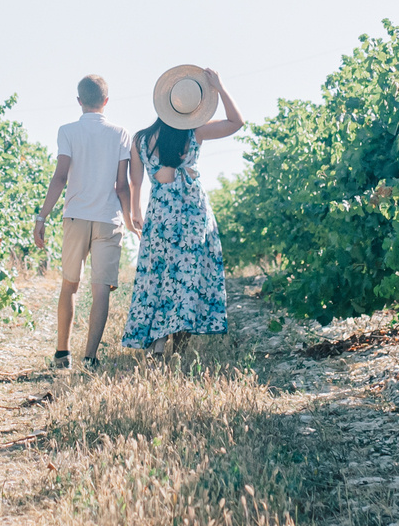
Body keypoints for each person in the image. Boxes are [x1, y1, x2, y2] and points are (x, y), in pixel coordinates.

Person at [120, 66, 243, 357]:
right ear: (193, 110)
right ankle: (178, 349)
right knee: (187, 277)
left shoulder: (140, 139)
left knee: (159, 274)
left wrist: (135, 213)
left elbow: (134, 182)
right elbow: (236, 122)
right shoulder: (195, 131)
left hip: (161, 212)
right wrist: (221, 87)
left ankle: (158, 341)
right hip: (192, 214)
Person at [34, 74, 134, 371]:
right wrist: (129, 221)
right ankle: (90, 358)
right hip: (107, 219)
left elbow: (60, 176)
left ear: (79, 101)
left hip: (75, 216)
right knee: (101, 288)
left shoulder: (67, 131)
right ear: (106, 101)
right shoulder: (120, 133)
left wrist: (42, 216)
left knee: (70, 284)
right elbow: (122, 185)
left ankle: (62, 354)